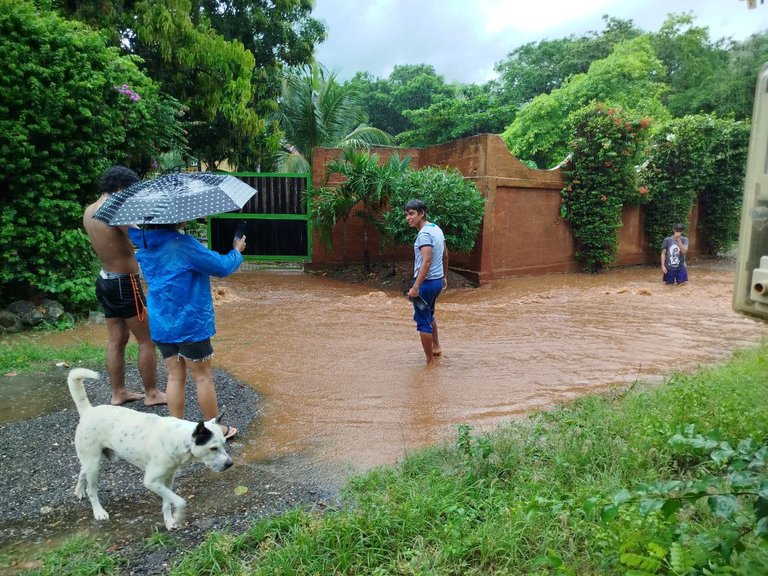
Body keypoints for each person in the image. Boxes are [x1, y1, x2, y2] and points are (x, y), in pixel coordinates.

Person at [127, 223, 246, 440]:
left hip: (161, 322)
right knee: (202, 377)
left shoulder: (143, 243)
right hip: (190, 322)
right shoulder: (184, 245)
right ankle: (214, 429)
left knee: (174, 376)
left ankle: (176, 429)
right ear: (178, 219)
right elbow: (221, 267)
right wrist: (237, 251)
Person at [83, 166, 167, 406]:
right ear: (121, 188)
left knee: (116, 339)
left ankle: (118, 392)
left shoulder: (89, 211)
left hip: (105, 280)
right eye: (130, 191)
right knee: (147, 339)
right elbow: (142, 239)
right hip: (125, 282)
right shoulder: (116, 209)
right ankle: (152, 393)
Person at [404, 199, 448, 365]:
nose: (408, 218)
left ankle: (430, 362)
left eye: (411, 214)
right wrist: (444, 276)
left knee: (423, 322)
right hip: (436, 282)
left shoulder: (423, 234)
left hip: (425, 284)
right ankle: (436, 347)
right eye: (407, 214)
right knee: (429, 314)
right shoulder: (436, 228)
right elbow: (445, 255)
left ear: (421, 214)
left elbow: (426, 261)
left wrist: (415, 287)